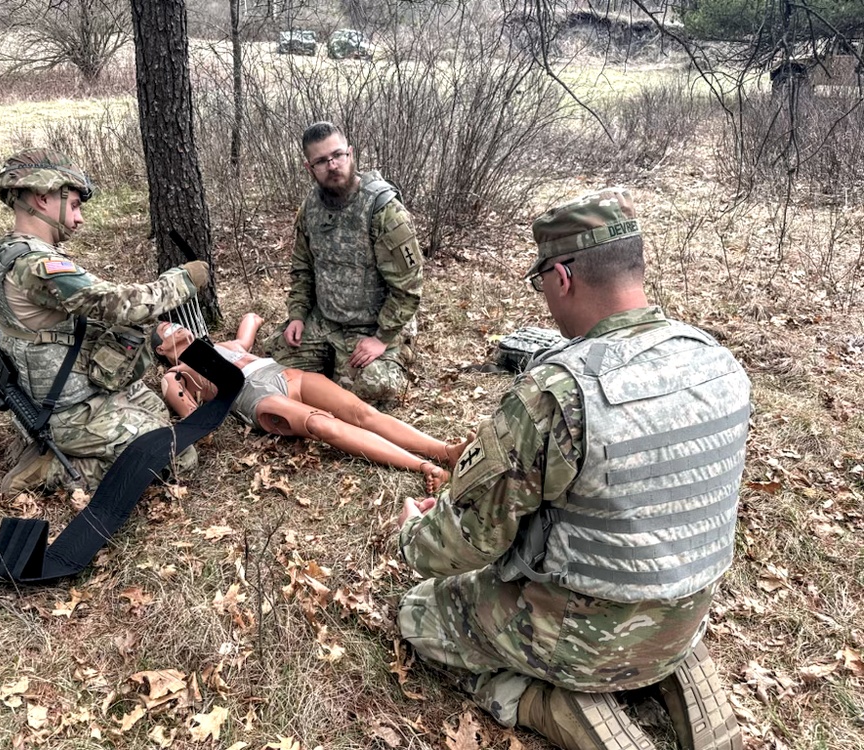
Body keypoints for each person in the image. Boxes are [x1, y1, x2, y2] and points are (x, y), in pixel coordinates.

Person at [396, 188, 750, 750]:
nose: (545, 300)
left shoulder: (559, 391)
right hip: (686, 614)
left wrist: (411, 535)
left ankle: (548, 701)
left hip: (579, 634)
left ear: (562, 277)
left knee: (420, 613)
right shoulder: (717, 360)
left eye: (542, 284)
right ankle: (673, 668)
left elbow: (464, 540)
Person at [0, 148, 211, 493]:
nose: (79, 219)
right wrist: (181, 280)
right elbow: (119, 305)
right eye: (74, 205)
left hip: (80, 391)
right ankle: (50, 470)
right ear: (43, 197)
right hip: (69, 412)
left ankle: (55, 449)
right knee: (178, 457)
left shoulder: (8, 251)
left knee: (158, 415)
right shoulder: (36, 266)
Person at [153, 315, 468, 493]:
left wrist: (254, 319)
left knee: (361, 412)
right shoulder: (177, 374)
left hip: (286, 375)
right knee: (322, 425)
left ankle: (445, 452)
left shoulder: (224, 346)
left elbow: (249, 328)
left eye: (173, 323)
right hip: (259, 399)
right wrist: (184, 381)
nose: (174, 328)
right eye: (165, 331)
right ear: (162, 350)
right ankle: (424, 466)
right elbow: (195, 420)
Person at [264, 121, 422, 404]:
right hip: (326, 319)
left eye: (338, 155)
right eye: (321, 161)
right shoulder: (310, 208)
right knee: (274, 363)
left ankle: (397, 352)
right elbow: (302, 270)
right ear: (309, 167)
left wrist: (382, 338)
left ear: (350, 153)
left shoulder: (383, 211)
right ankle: (332, 364)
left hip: (371, 325)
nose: (333, 165)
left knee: (372, 387)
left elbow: (408, 287)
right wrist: (298, 315)